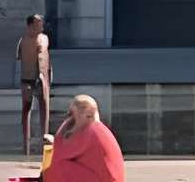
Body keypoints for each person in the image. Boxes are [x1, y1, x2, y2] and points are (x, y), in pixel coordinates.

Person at [42, 95, 123, 182]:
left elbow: (60, 155)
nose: (70, 120)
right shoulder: (99, 129)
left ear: (88, 115)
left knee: (57, 168)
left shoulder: (92, 131)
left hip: (103, 179)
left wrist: (62, 133)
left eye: (72, 115)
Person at [16, 16, 54, 155]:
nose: (42, 26)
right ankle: (26, 145)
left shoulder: (45, 38)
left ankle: (45, 144)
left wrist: (49, 75)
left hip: (43, 79)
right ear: (31, 25)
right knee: (26, 110)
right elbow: (18, 60)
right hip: (27, 79)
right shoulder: (23, 41)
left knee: (45, 110)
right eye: (39, 24)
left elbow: (46, 56)